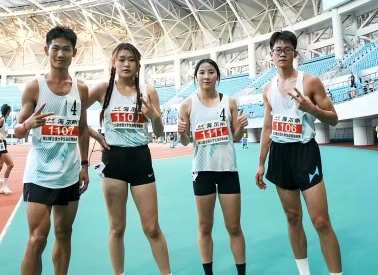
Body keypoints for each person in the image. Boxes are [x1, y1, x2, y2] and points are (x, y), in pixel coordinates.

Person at [255, 30, 342, 275]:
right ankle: (304, 272)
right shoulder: (267, 88)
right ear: (271, 55)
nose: (282, 54)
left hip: (305, 153)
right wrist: (261, 163)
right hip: (279, 154)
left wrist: (311, 108)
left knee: (321, 221)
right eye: (277, 50)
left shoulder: (310, 82)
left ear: (295, 53)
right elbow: (267, 127)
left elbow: (334, 119)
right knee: (292, 217)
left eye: (287, 50)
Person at [87, 42, 172, 275]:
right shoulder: (103, 89)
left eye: (131, 60)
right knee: (116, 228)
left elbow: (159, 132)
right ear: (114, 63)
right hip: (113, 159)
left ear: (138, 65)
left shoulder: (148, 91)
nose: (126, 64)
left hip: (140, 159)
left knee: (152, 227)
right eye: (121, 59)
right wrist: (94, 133)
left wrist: (154, 116)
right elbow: (73, 110)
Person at [15, 26, 90, 275]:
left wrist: (84, 165)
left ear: (74, 53)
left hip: (69, 173)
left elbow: (82, 130)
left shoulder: (81, 89)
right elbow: (17, 130)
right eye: (55, 48)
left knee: (64, 233)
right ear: (47, 50)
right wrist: (27, 124)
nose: (60, 54)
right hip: (39, 173)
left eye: (66, 49)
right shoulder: (34, 87)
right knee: (37, 239)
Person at [177, 58, 248, 275]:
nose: (206, 76)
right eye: (202, 72)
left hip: (228, 171)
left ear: (217, 75)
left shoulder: (230, 102)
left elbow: (236, 137)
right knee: (205, 227)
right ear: (196, 77)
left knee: (234, 227)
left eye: (211, 72)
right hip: (202, 172)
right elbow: (185, 142)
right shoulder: (187, 105)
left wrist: (241, 127)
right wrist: (181, 133)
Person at [0, 104, 15, 194]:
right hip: (0, 143)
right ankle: (4, 186)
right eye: (9, 111)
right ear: (7, 111)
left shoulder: (4, 120)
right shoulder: (2, 119)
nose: (10, 112)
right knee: (10, 164)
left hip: (2, 143)